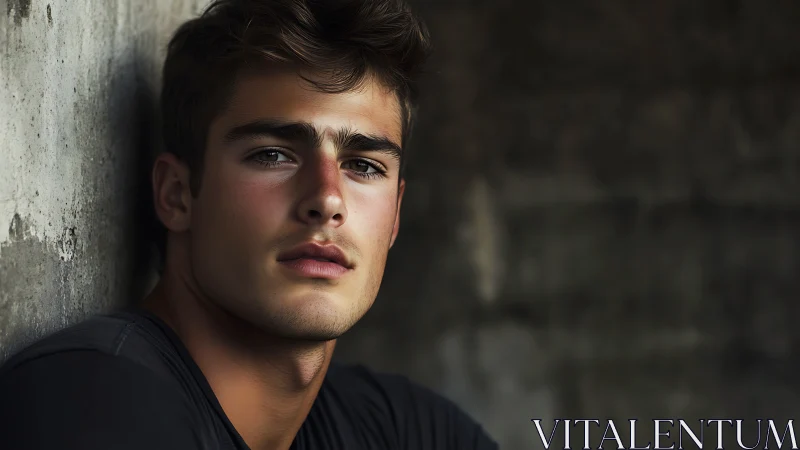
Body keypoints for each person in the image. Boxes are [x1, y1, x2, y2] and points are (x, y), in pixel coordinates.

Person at [0, 0, 499, 449]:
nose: (326, 199)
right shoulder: (92, 397)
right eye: (273, 155)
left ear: (394, 216)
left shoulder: (404, 428)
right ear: (176, 194)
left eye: (363, 166)